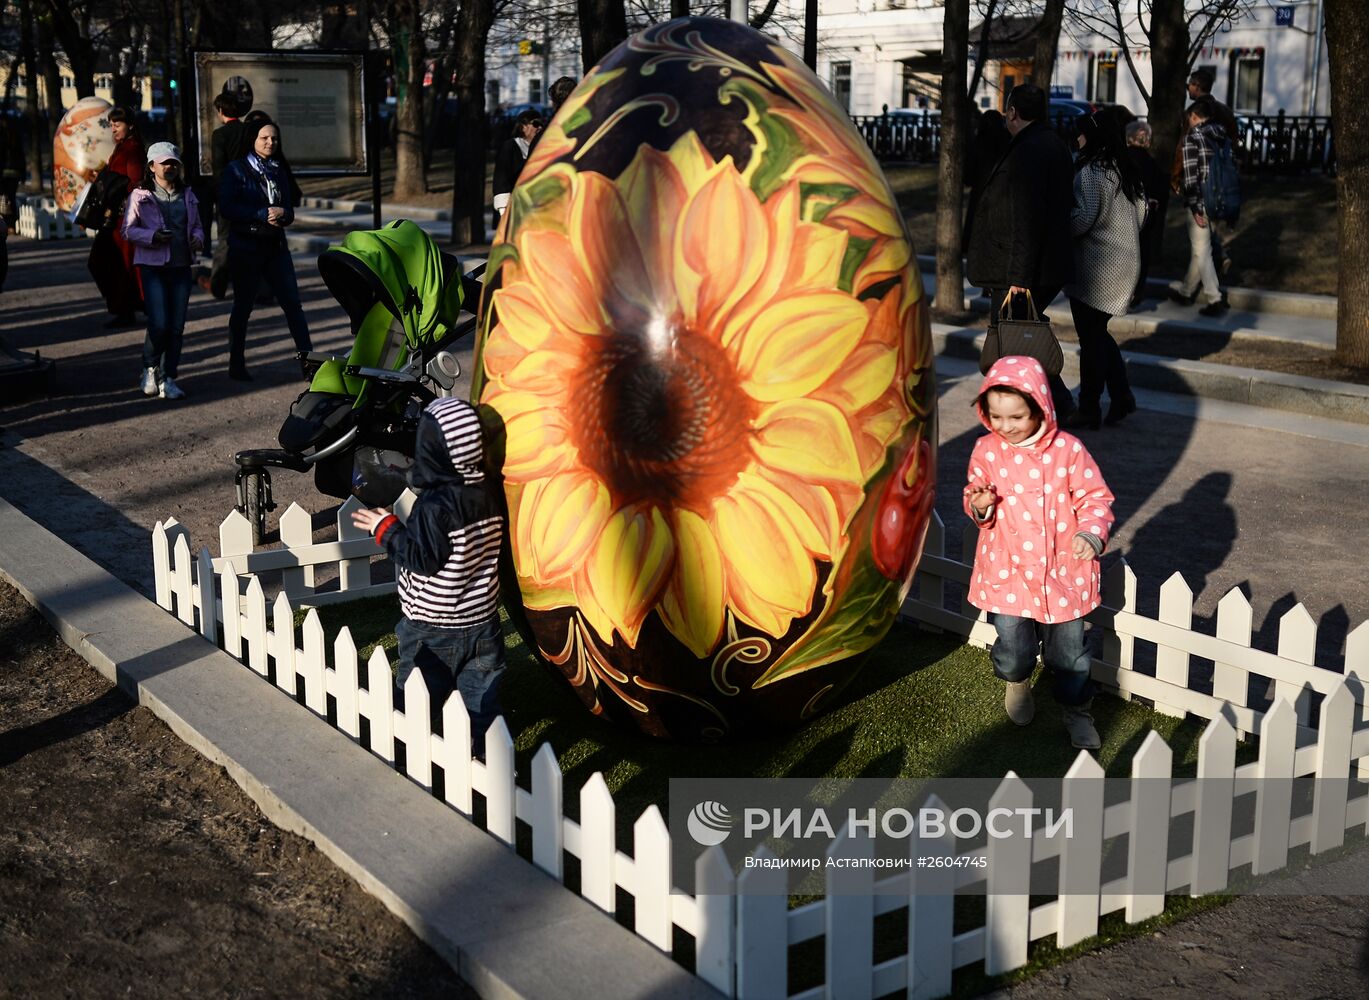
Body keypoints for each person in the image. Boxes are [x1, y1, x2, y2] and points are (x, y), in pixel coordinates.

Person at [963, 356, 1115, 750]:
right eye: (996, 416)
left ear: (1040, 408)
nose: (1004, 426)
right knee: (1012, 644)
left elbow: (1095, 497)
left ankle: (1077, 712)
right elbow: (975, 495)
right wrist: (980, 504)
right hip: (1007, 568)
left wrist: (1091, 532)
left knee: (1070, 653)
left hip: (1063, 570)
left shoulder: (1068, 450)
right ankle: (1017, 681)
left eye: (1015, 417)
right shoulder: (987, 450)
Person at [350, 398, 506, 759]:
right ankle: (493, 759)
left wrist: (385, 529)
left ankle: (405, 752)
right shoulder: (488, 492)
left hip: (433, 626)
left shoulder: (435, 507)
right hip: (482, 620)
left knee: (417, 694)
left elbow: (422, 559)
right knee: (482, 699)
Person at [966, 83, 1076, 420]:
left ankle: (1041, 406)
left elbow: (1026, 218)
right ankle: (1038, 404)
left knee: (1013, 340)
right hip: (1036, 263)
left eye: (1006, 110)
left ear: (1013, 112)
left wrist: (1018, 277)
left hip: (1023, 267)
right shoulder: (1049, 143)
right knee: (1019, 338)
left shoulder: (1029, 150)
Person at [1062, 109, 1147, 430]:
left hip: (1096, 269)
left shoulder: (1091, 171)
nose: (1077, 139)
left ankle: (1089, 406)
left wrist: (1057, 222)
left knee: (1091, 338)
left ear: (1092, 136)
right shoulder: (1125, 169)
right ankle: (1122, 395)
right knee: (1098, 334)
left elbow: (1082, 219)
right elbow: (1141, 217)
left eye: (1081, 133)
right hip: (1125, 264)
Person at [218, 118, 312, 380]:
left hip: (276, 246)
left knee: (293, 305)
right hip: (246, 247)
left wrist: (283, 213)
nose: (271, 143)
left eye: (274, 138)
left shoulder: (278, 169)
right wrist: (260, 213)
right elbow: (226, 207)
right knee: (243, 307)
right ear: (252, 140)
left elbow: (289, 209)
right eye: (265, 138)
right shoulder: (235, 170)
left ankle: (309, 364)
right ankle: (236, 364)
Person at [122, 142, 205, 401]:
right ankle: (149, 367)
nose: (169, 167)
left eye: (173, 163)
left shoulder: (188, 194)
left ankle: (168, 377)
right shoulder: (141, 195)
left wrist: (197, 238)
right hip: (153, 267)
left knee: (177, 327)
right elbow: (127, 230)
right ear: (151, 166)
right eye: (164, 163)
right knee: (159, 324)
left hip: (181, 266)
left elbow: (199, 227)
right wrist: (153, 236)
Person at [1168, 100, 1229, 317]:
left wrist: (1194, 207)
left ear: (1194, 115)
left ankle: (1215, 298)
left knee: (1202, 250)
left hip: (1201, 201)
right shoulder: (1221, 135)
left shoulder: (1194, 138)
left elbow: (1192, 178)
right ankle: (1186, 292)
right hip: (1220, 200)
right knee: (1200, 247)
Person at [88, 106, 145, 328]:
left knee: (118, 264)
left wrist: (112, 185)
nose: (113, 129)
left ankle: (126, 309)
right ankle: (124, 307)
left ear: (129, 125)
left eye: (117, 125)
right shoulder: (121, 147)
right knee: (106, 262)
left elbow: (135, 183)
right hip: (114, 217)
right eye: (111, 125)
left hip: (124, 217)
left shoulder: (132, 150)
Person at [207, 93, 247, 299]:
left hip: (229, 193)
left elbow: (219, 169)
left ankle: (218, 285)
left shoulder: (220, 135)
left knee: (225, 240)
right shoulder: (248, 132)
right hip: (248, 193)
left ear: (221, 111)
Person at [1125, 121, 1167, 308]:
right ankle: (1137, 291)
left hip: (1125, 215)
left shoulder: (1123, 160)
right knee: (1142, 252)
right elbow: (1160, 191)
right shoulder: (1152, 163)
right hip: (1146, 217)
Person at [492, 109, 543, 231]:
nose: (540, 127)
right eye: (535, 124)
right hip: (512, 209)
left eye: (542, 124)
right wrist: (503, 209)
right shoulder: (510, 147)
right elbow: (501, 178)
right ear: (523, 127)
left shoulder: (541, 148)